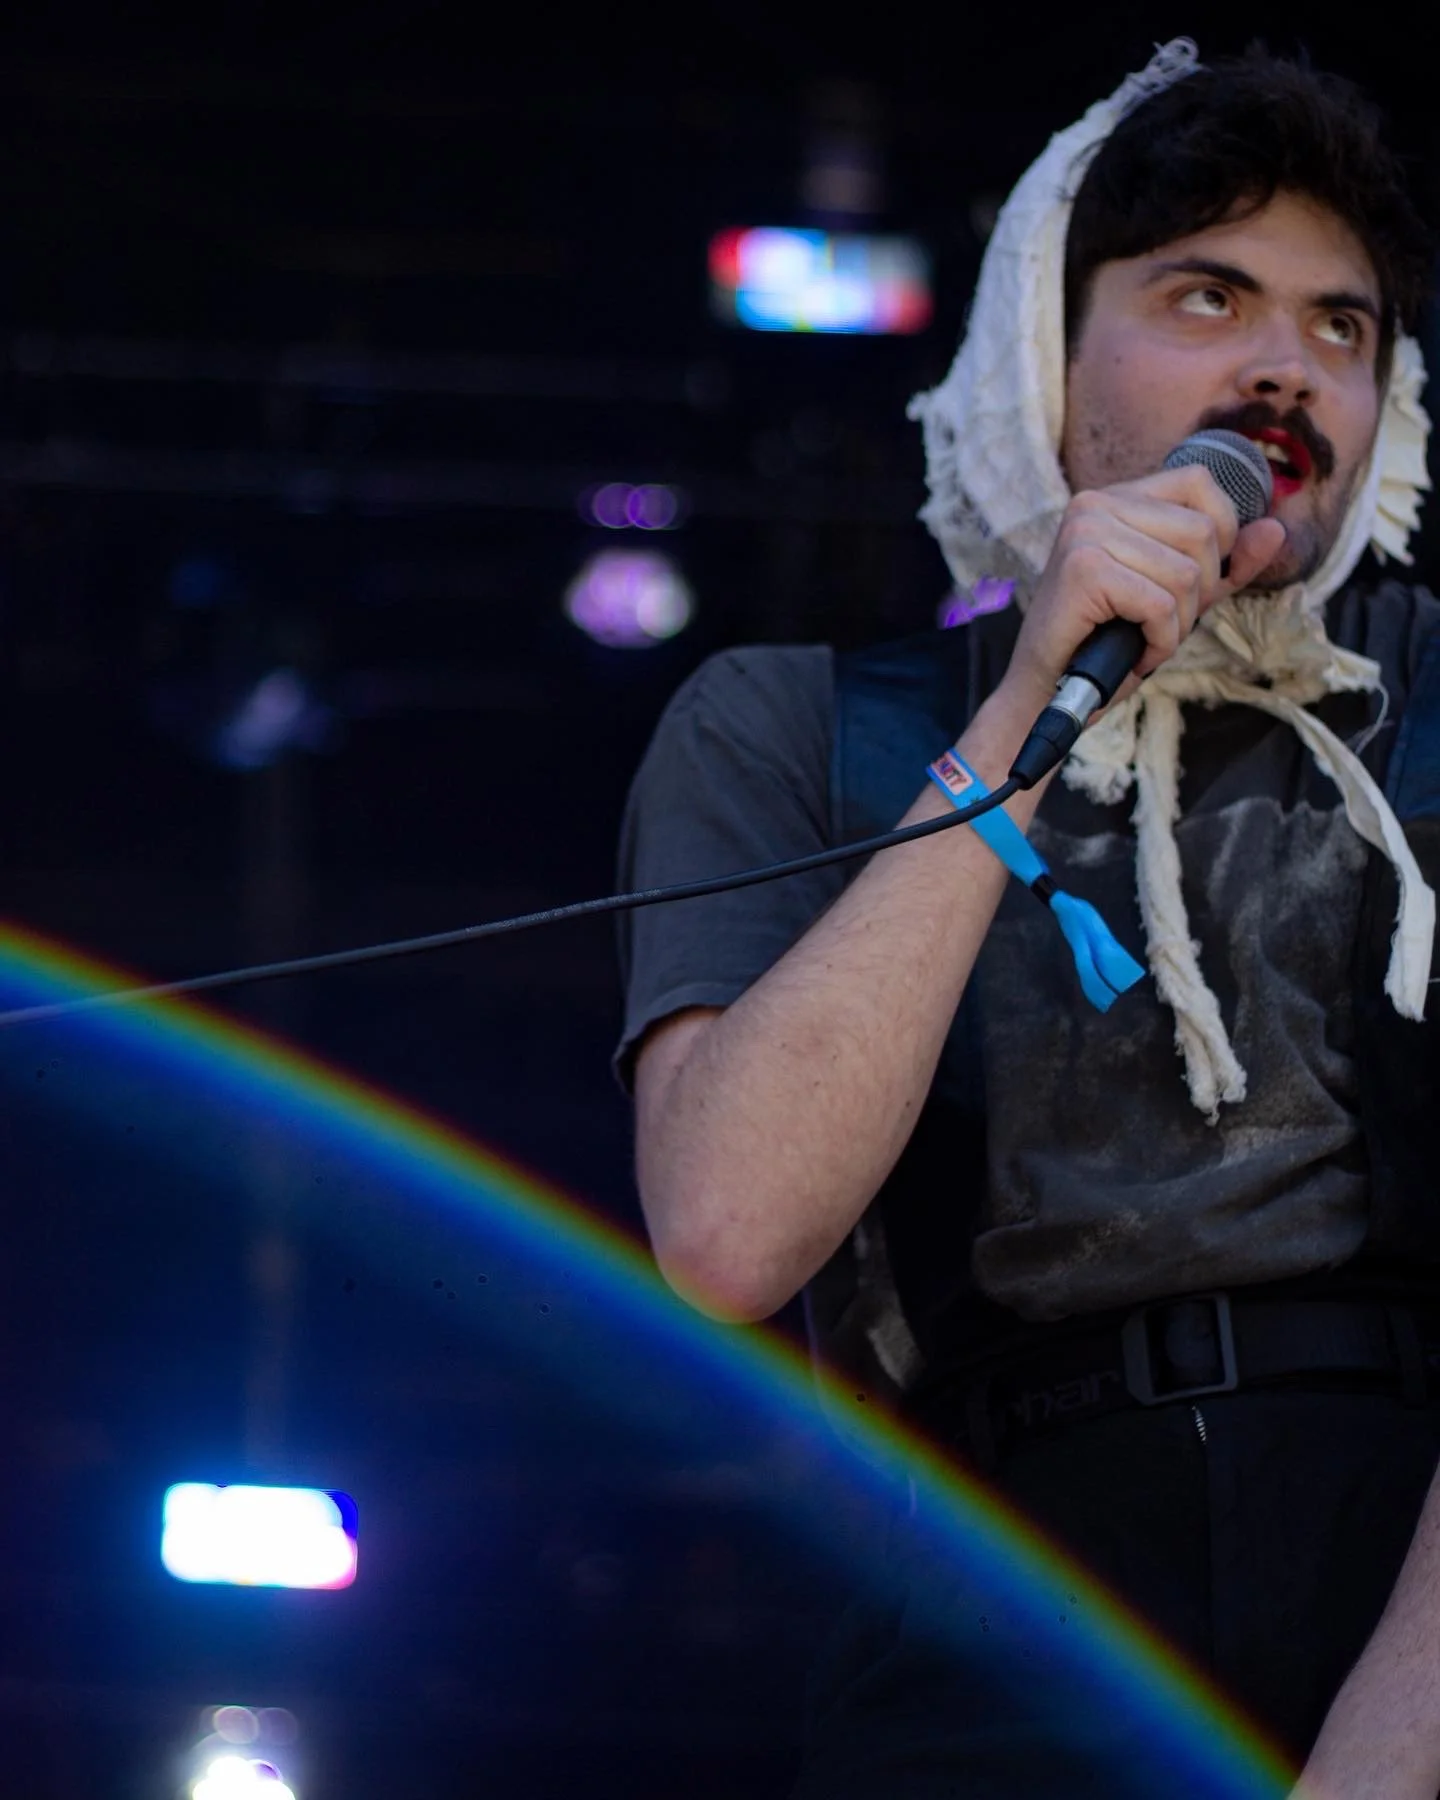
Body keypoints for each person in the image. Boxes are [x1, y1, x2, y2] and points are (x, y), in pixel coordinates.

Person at [615, 41, 1440, 1798]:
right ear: (1045, 353)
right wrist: (1023, 700)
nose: (1287, 366)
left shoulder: (1436, 713)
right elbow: (731, 1227)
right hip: (997, 1603)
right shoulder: (792, 725)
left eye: (1342, 327)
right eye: (1209, 295)